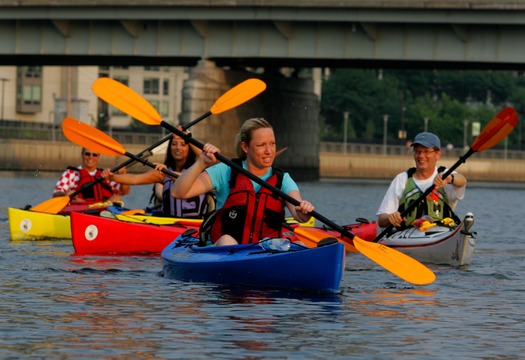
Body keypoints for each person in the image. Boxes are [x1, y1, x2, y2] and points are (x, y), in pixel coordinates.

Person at [171, 117, 315, 246]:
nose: (269, 151)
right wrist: (201, 162)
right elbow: (178, 192)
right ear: (245, 147)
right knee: (228, 241)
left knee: (300, 244)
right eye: (261, 145)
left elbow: (299, 216)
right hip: (222, 250)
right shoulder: (226, 171)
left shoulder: (283, 179)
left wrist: (304, 211)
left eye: (272, 143)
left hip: (263, 251)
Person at [101, 132, 212, 219]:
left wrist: (187, 137)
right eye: (174, 144)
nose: (178, 148)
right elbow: (135, 179)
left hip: (195, 223)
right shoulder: (163, 172)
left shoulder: (201, 171)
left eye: (183, 145)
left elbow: (208, 157)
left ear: (190, 149)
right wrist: (112, 176)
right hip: (170, 222)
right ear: (169, 148)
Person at [376, 132, 467, 230]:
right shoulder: (402, 179)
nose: (421, 156)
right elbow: (381, 220)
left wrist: (449, 179)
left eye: (426, 151)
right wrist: (390, 217)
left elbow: (462, 181)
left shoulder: (444, 174)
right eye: (417, 151)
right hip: (407, 234)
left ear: (438, 154)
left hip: (441, 232)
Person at [53, 148, 130, 204]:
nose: (91, 157)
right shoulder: (71, 173)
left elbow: (123, 192)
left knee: (117, 198)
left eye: (94, 155)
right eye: (87, 154)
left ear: (98, 157)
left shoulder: (104, 174)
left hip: (102, 210)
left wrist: (123, 174)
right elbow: (56, 194)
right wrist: (66, 195)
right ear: (82, 155)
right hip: (80, 209)